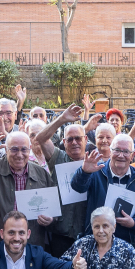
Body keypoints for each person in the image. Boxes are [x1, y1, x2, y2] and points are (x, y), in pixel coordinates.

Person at [0, 128, 57, 246]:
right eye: (14, 149)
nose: (19, 155)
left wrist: (51, 219)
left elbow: (53, 207)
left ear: (30, 150)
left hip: (30, 242)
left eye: (24, 149)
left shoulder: (41, 173)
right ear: (6, 149)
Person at [71, 133, 135, 250]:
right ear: (110, 151)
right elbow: (78, 187)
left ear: (133, 155)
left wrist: (134, 222)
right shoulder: (96, 170)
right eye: (117, 150)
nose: (121, 155)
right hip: (97, 240)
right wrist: (84, 172)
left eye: (126, 152)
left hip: (127, 240)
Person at [33, 105, 90, 258]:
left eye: (78, 138)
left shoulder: (94, 162)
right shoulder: (58, 157)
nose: (74, 142)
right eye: (69, 139)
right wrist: (62, 119)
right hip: (60, 230)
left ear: (85, 139)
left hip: (87, 233)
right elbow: (40, 138)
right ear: (64, 142)